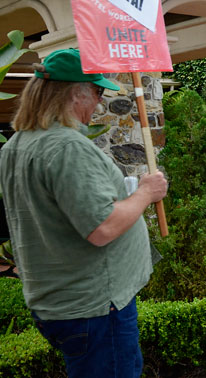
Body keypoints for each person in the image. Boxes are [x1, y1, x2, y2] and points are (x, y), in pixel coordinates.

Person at [0, 48, 168, 377]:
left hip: (61, 303)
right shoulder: (67, 146)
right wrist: (146, 192)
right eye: (98, 92)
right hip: (96, 308)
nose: (99, 102)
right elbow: (102, 227)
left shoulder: (15, 146)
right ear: (77, 93)